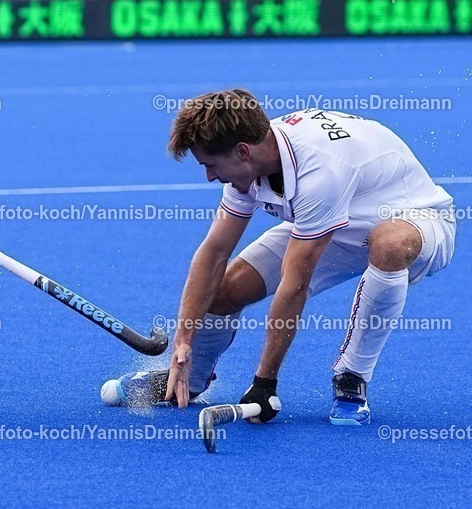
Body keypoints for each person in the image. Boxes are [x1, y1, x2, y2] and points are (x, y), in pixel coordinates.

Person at [111, 90, 454, 425]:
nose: (210, 176)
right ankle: (190, 377)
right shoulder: (252, 155)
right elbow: (214, 252)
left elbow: (295, 286)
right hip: (331, 221)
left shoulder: (320, 172)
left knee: (389, 244)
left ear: (242, 152)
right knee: (224, 289)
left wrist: (265, 383)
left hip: (415, 220)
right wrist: (183, 340)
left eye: (211, 165)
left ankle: (352, 379)